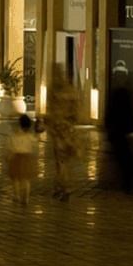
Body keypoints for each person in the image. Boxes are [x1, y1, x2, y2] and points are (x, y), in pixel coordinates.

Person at [105, 79, 133, 194]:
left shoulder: (116, 96)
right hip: (122, 132)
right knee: (125, 157)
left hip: (116, 133)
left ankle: (132, 180)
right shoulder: (126, 97)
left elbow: (109, 116)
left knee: (124, 158)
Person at [44, 65, 83, 201]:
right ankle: (60, 186)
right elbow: (77, 111)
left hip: (58, 131)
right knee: (65, 161)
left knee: (60, 161)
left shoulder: (53, 91)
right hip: (68, 130)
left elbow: (49, 112)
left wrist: (49, 125)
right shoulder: (70, 90)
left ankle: (63, 187)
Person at [6, 114, 38, 205]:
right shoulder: (29, 136)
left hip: (16, 157)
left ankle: (17, 195)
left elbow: (10, 147)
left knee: (16, 179)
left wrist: (8, 157)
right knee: (26, 180)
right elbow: (35, 143)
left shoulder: (14, 136)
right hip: (27, 158)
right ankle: (26, 198)